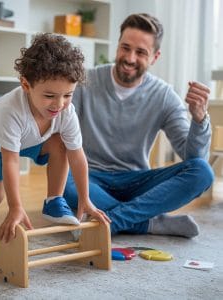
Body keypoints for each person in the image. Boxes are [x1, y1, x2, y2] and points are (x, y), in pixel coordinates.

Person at [64, 13, 214, 238]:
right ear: (117, 46)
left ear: (155, 57)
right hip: (89, 177)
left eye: (141, 52)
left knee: (203, 172)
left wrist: (200, 120)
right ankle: (150, 223)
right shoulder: (85, 81)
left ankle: (110, 221)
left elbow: (192, 156)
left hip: (138, 182)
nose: (130, 58)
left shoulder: (164, 96)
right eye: (125, 48)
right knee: (65, 184)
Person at [0, 33, 110, 259]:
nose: (59, 104)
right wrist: (16, 207)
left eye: (68, 95)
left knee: (61, 142)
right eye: (49, 95)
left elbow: (77, 155)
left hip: (33, 139)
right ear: (26, 84)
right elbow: (11, 160)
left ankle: (54, 200)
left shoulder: (66, 111)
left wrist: (85, 198)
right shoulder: (10, 111)